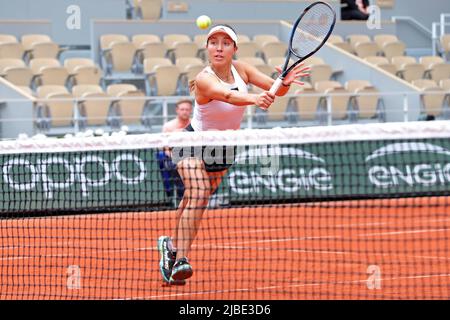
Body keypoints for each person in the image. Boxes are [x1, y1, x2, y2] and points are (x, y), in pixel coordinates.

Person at [157, 24, 309, 285]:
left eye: (225, 43)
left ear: (234, 49)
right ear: (207, 47)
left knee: (195, 200)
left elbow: (276, 90)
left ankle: (170, 244)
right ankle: (181, 258)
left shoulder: (243, 69)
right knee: (199, 191)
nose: (218, 47)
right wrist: (255, 99)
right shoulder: (204, 78)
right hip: (193, 140)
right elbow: (227, 95)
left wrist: (283, 83)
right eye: (213, 42)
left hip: (224, 146)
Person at [156, 99, 193, 204]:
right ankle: (170, 195)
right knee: (161, 156)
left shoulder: (195, 125)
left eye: (187, 109)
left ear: (191, 110)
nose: (185, 111)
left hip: (192, 157)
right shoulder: (168, 126)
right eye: (182, 109)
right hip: (172, 158)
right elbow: (164, 147)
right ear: (177, 110)